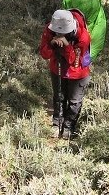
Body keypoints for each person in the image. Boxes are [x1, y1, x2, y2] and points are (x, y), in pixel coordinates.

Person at [39, 9, 91, 140]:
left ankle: (68, 127)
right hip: (57, 68)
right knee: (59, 97)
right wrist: (52, 44)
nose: (58, 34)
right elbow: (44, 54)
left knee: (74, 101)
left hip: (77, 72)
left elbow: (74, 61)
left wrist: (67, 46)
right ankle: (57, 124)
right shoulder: (50, 30)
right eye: (57, 32)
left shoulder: (83, 37)